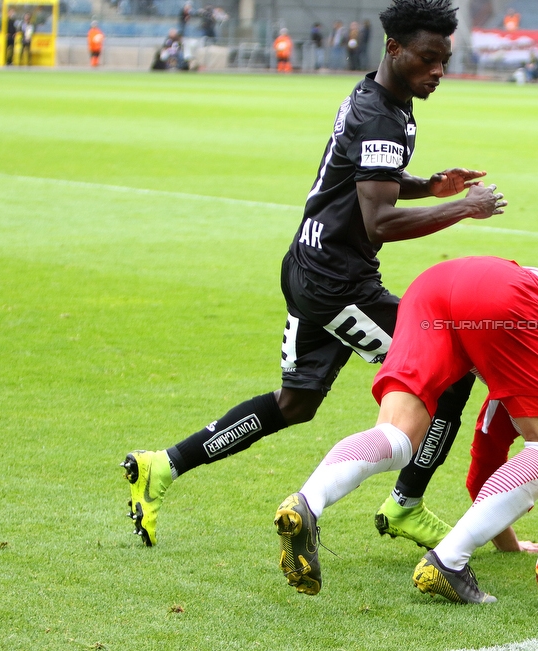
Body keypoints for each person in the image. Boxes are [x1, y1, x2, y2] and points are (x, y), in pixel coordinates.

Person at [122, 0, 505, 548]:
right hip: (339, 285)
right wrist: (464, 208)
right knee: (451, 375)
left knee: (294, 405)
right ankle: (405, 507)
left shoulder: (377, 96)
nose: (438, 72)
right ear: (394, 49)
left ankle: (162, 465)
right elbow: (379, 222)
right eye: (428, 59)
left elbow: (366, 178)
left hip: (309, 264)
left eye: (444, 60)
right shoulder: (382, 114)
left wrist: (430, 186)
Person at [274, 257, 538, 602]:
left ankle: (308, 502)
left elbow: (482, 470)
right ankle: (447, 561)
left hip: (432, 288)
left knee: (399, 436)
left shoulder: (513, 392)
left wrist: (509, 544)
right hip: (504, 294)